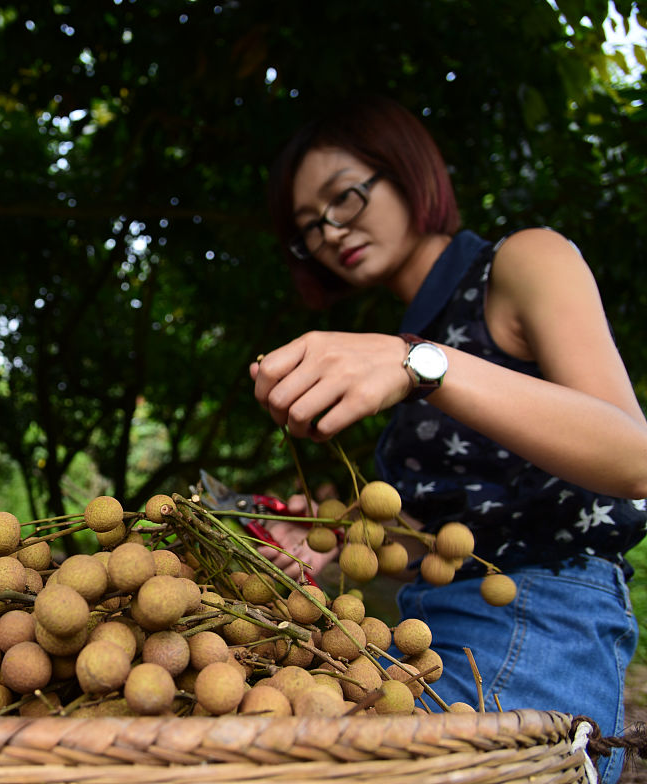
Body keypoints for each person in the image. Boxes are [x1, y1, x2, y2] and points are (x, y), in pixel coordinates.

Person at [250, 96, 647, 782]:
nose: (330, 231)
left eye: (342, 196)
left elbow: (634, 457)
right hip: (420, 646)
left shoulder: (522, 261)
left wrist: (417, 362)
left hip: (541, 622)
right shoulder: (404, 357)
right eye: (308, 227)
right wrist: (331, 541)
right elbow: (436, 545)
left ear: (407, 172)